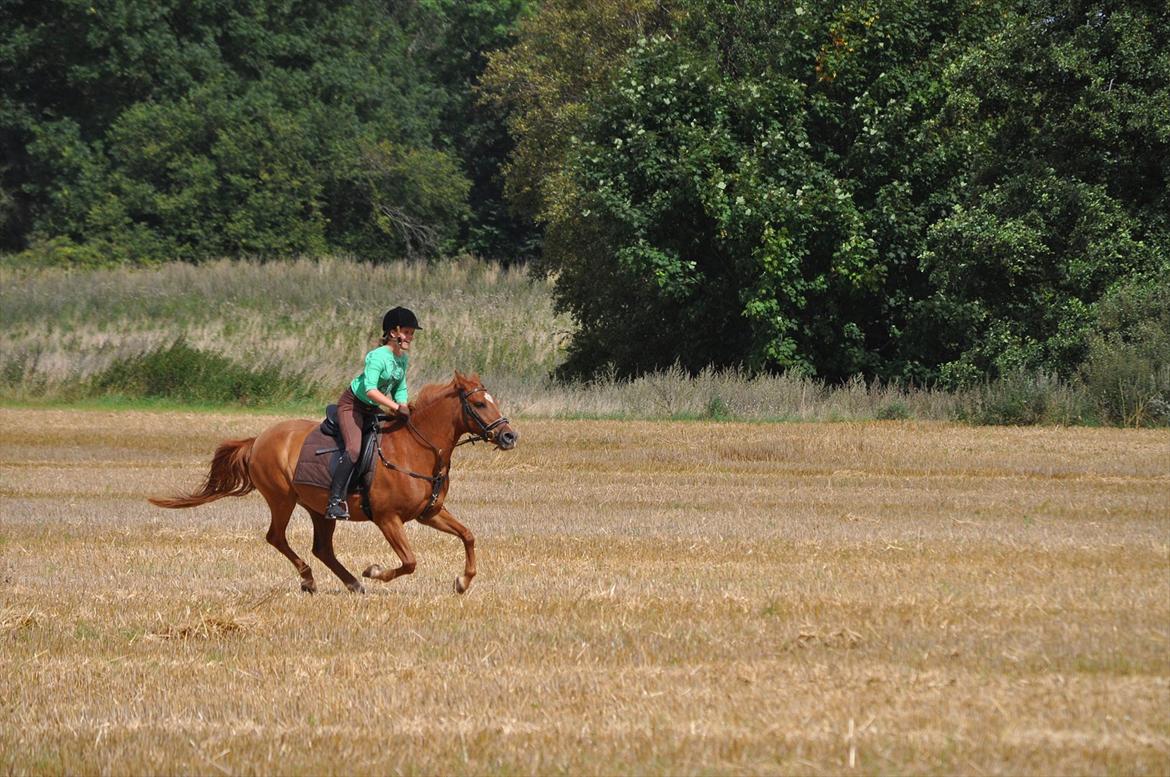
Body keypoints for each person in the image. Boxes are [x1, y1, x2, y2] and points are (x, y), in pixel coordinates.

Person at [325, 306, 421, 520]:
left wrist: (403, 404)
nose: (410, 337)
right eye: (407, 332)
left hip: (372, 407)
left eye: (412, 334)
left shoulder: (402, 359)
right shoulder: (377, 357)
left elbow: (400, 387)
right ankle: (334, 501)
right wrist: (396, 407)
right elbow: (370, 390)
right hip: (353, 405)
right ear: (393, 332)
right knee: (353, 449)